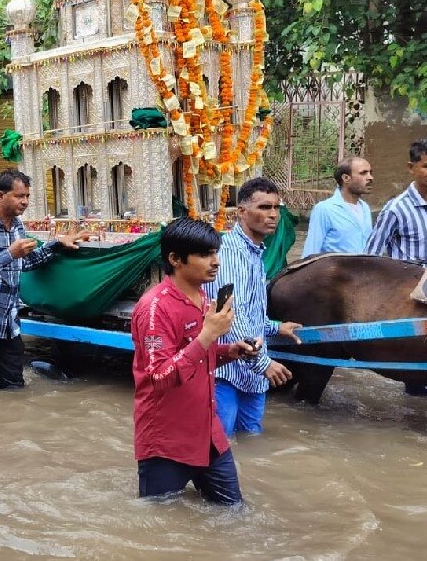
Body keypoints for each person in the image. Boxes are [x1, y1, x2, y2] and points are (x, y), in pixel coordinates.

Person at [133, 217, 258, 504]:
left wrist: (228, 351)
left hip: (208, 433)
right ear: (175, 259)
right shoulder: (154, 309)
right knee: (160, 520)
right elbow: (159, 377)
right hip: (166, 441)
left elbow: (196, 357)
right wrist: (208, 335)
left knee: (234, 512)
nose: (215, 262)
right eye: (204, 254)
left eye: (215, 252)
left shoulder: (202, 298)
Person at [0, 169, 91, 389]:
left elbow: (24, 263)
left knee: (14, 389)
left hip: (7, 324)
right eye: (19, 196)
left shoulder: (17, 226)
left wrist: (58, 244)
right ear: (0, 196)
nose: (25, 201)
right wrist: (10, 254)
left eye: (27, 196)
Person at [205, 177, 302, 435]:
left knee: (251, 438)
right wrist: (263, 363)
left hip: (251, 373)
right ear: (242, 212)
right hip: (227, 371)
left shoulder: (255, 252)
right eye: (264, 207)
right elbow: (230, 316)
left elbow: (250, 310)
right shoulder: (229, 254)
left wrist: (275, 328)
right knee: (221, 443)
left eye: (276, 207)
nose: (273, 215)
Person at [365, 136, 427, 396]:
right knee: (419, 371)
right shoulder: (396, 209)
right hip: (413, 299)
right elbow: (370, 258)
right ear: (412, 168)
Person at [301, 156, 374, 256]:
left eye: (370, 173)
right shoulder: (325, 209)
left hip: (364, 265)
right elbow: (311, 251)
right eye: (363, 173)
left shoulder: (365, 208)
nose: (370, 177)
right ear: (346, 178)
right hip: (335, 266)